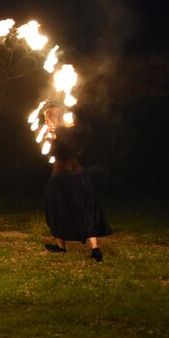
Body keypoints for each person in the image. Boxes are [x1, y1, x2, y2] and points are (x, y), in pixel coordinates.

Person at [42, 106, 112, 262]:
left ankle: (61, 247)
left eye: (47, 119)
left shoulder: (58, 134)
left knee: (56, 209)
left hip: (61, 179)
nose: (45, 122)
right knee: (86, 208)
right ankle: (95, 248)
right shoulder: (71, 131)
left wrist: (51, 139)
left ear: (55, 120)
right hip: (79, 176)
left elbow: (58, 151)